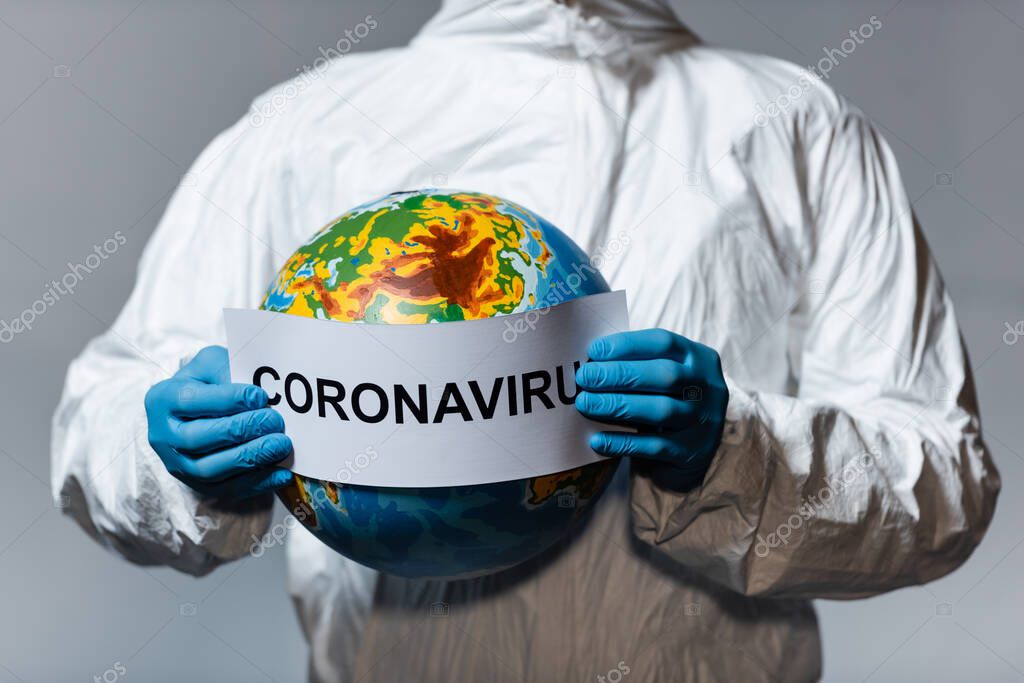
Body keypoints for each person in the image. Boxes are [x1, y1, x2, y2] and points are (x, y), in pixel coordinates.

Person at [51, 0, 1000, 680]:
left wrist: (733, 450)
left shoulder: (798, 126)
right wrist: (166, 453)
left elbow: (946, 483)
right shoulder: (305, 129)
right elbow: (97, 420)